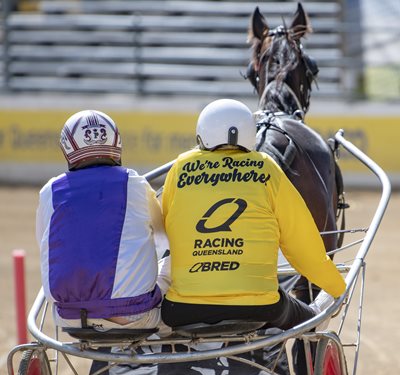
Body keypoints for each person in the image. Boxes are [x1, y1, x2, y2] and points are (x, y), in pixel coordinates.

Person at [161, 99, 345, 330]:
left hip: (181, 310)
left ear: (201, 135)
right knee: (312, 315)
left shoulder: (180, 167)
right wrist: (337, 288)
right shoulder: (267, 167)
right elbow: (303, 247)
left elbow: (166, 231)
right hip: (260, 308)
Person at [36, 109, 170, 333]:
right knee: (172, 259)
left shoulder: (49, 191)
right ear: (116, 143)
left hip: (69, 318)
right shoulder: (134, 182)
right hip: (134, 316)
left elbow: (45, 245)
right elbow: (163, 239)